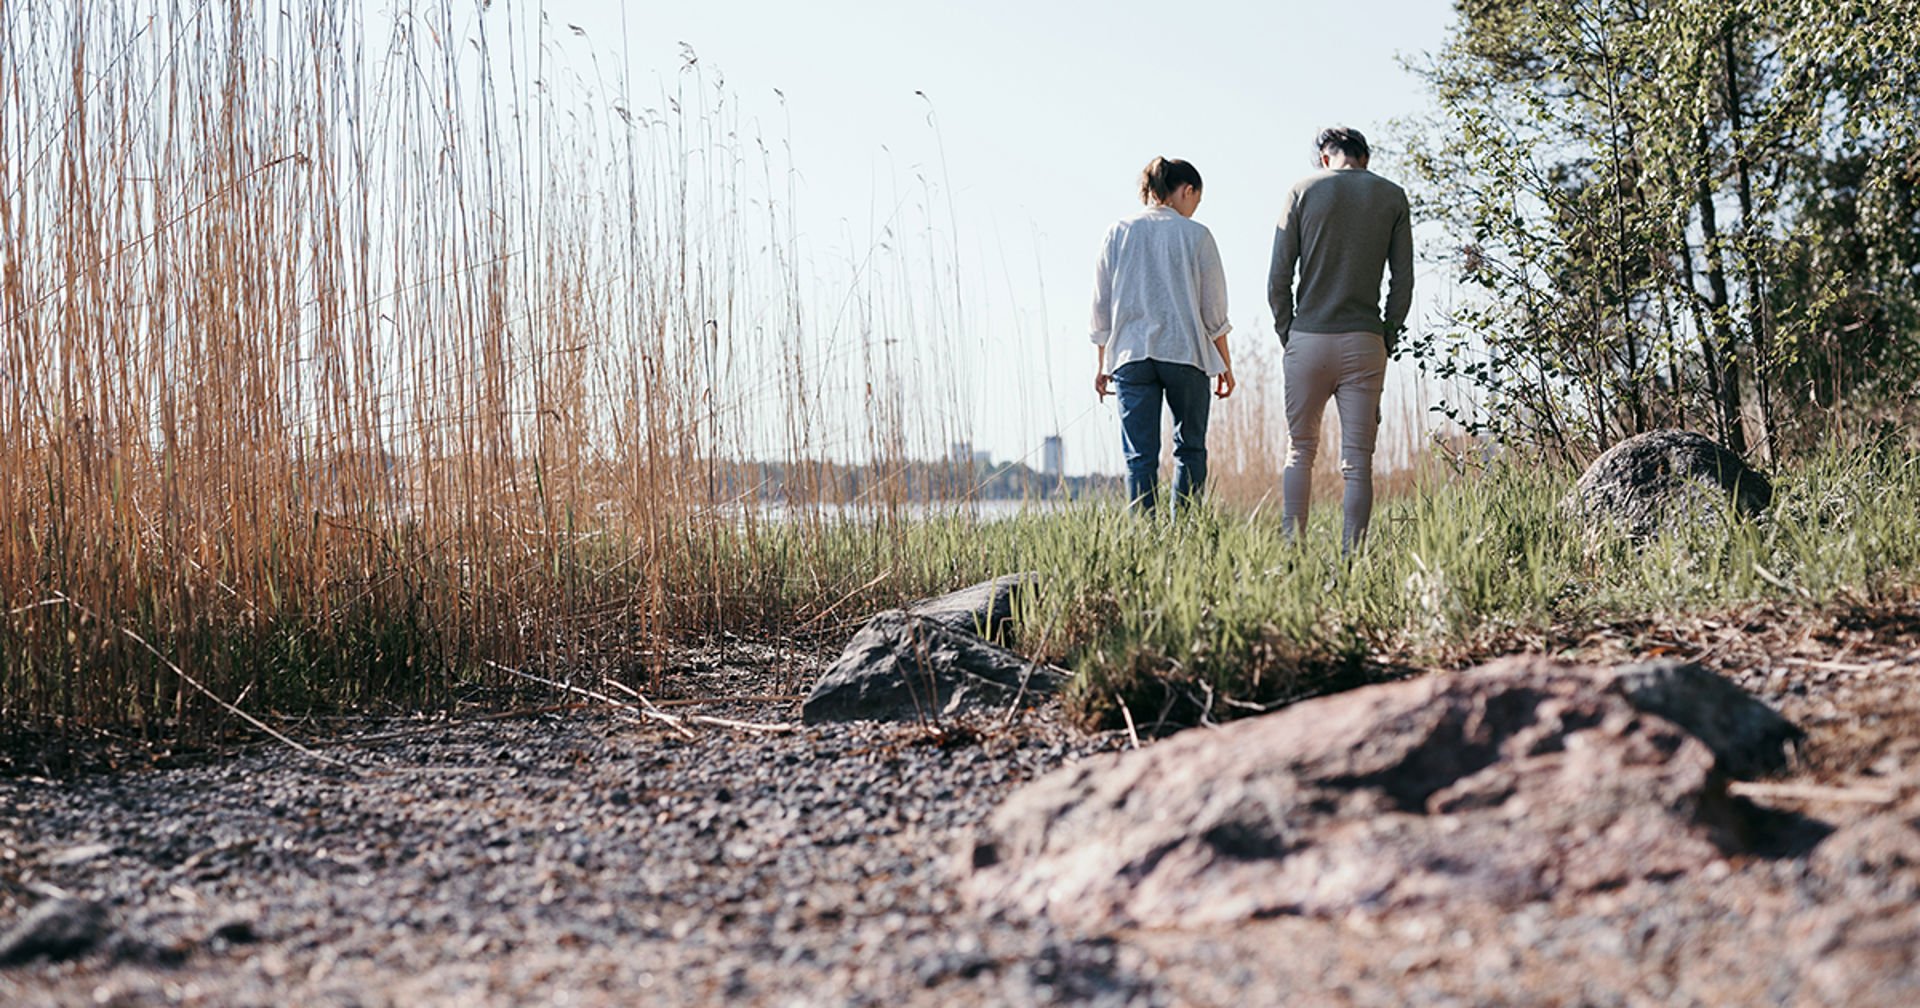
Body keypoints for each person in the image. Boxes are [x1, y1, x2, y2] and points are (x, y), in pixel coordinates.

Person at [1268, 127, 1413, 551]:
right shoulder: (1391, 195)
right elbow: (1402, 280)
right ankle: (1353, 558)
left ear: (1324, 157)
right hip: (1365, 341)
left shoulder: (1302, 190)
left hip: (1307, 338)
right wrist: (1387, 334)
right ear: (1364, 158)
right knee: (1358, 463)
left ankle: (1292, 552)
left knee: (1300, 451)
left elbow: (1279, 276)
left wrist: (1287, 332)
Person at [1090, 156, 1235, 516]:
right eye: (1195, 201)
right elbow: (1213, 309)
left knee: (1140, 458)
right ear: (1187, 191)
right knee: (1190, 450)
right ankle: (1184, 535)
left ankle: (1145, 539)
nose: (1193, 209)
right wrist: (1225, 364)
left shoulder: (1118, 231)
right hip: (1185, 353)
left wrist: (1102, 363)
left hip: (1130, 356)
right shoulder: (1197, 235)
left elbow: (1101, 305)